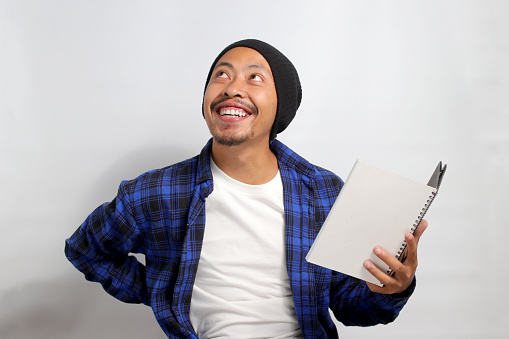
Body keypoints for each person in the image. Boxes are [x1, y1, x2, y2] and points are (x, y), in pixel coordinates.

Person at [65, 39, 427, 338]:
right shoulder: (155, 193)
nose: (232, 88)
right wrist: (163, 290)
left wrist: (392, 288)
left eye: (255, 78)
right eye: (221, 75)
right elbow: (86, 250)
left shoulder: (324, 191)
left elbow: (351, 307)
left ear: (279, 105)